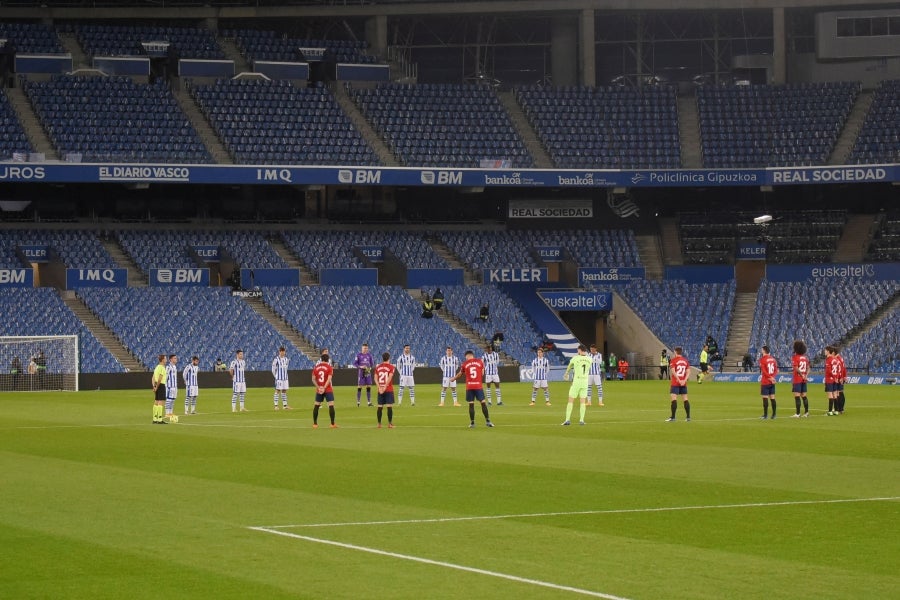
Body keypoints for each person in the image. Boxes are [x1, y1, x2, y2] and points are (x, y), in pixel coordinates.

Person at [456, 350, 493, 428]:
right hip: (478, 386)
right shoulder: (480, 362)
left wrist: (453, 378)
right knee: (483, 403)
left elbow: (460, 374)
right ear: (472, 355)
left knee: (471, 404)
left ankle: (472, 423)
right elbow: (483, 373)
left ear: (467, 356)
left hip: (469, 387)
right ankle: (488, 421)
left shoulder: (464, 364)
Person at [562, 344, 592, 426]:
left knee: (571, 400)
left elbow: (569, 366)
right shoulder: (590, 359)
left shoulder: (575, 358)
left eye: (577, 350)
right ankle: (581, 420)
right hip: (585, 382)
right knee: (583, 401)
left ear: (579, 350)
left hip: (577, 381)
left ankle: (567, 420)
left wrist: (566, 373)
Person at [311, 353, 337, 428]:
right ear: (328, 360)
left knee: (316, 405)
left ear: (321, 359)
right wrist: (324, 387)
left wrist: (319, 387)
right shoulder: (329, 367)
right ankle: (332, 424)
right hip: (327, 389)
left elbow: (313, 379)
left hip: (319, 389)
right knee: (331, 405)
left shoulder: (316, 367)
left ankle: (315, 424)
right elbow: (329, 379)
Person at [666, 347, 691, 422]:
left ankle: (673, 417)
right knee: (685, 399)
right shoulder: (685, 361)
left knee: (674, 399)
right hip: (683, 383)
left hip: (675, 382)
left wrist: (679, 380)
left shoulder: (673, 361)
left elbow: (673, 371)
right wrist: (684, 380)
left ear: (675, 352)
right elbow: (688, 372)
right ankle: (688, 417)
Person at [374, 352, 397, 428]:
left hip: (380, 390)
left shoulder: (378, 367)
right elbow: (390, 377)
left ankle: (379, 424)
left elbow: (375, 378)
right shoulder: (391, 367)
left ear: (382, 358)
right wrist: (385, 387)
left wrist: (379, 387)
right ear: (389, 358)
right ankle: (390, 424)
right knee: (389, 406)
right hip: (388, 389)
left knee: (380, 406)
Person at [790, 340, 810, 418]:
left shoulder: (795, 357)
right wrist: (806, 375)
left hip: (798, 379)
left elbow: (796, 367)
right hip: (804, 379)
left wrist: (801, 375)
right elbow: (808, 368)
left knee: (797, 396)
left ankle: (797, 413)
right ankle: (806, 412)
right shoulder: (805, 358)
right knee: (804, 396)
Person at [758, 345, 778, 419]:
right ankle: (774, 415)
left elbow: (763, 371)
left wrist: (769, 378)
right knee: (772, 397)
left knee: (765, 398)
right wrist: (773, 378)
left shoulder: (762, 359)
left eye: (762, 349)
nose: (761, 350)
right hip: (772, 382)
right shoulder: (773, 359)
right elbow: (776, 370)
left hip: (766, 381)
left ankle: (765, 415)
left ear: (764, 351)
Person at [353, 343, 375, 407]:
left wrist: (369, 368)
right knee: (360, 386)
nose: (365, 349)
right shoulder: (358, 355)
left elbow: (372, 364)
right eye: (364, 348)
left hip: (367, 372)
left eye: (366, 348)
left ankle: (369, 402)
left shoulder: (369, 355)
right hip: (361, 372)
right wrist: (361, 367)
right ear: (362, 348)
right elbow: (355, 364)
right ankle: (358, 402)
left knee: (369, 386)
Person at [272, 346, 291, 410]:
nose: (282, 353)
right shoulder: (276, 359)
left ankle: (285, 406)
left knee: (284, 391)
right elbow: (273, 369)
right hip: (279, 379)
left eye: (283, 351)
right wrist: (276, 376)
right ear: (279, 352)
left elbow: (286, 368)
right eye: (281, 351)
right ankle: (276, 406)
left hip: (285, 378)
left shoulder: (286, 359)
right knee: (277, 390)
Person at [151, 354, 167, 424]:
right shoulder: (162, 368)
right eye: (165, 359)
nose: (166, 360)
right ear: (163, 360)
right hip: (161, 385)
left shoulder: (156, 367)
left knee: (156, 401)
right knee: (161, 401)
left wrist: (154, 386)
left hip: (156, 385)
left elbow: (153, 377)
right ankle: (160, 419)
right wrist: (157, 386)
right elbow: (160, 378)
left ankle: (155, 418)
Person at [165, 354, 179, 420]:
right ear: (170, 359)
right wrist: (166, 386)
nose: (176, 359)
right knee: (169, 399)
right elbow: (165, 376)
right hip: (170, 386)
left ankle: (171, 412)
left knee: (173, 400)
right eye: (174, 358)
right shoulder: (168, 367)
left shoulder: (175, 367)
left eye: (176, 358)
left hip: (174, 386)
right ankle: (167, 413)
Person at [835, 347, 847, 414]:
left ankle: (839, 408)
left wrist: (841, 377)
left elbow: (840, 370)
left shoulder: (837, 359)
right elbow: (844, 368)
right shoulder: (840, 358)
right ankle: (841, 409)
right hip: (841, 377)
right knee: (841, 392)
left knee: (838, 393)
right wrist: (844, 376)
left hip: (839, 378)